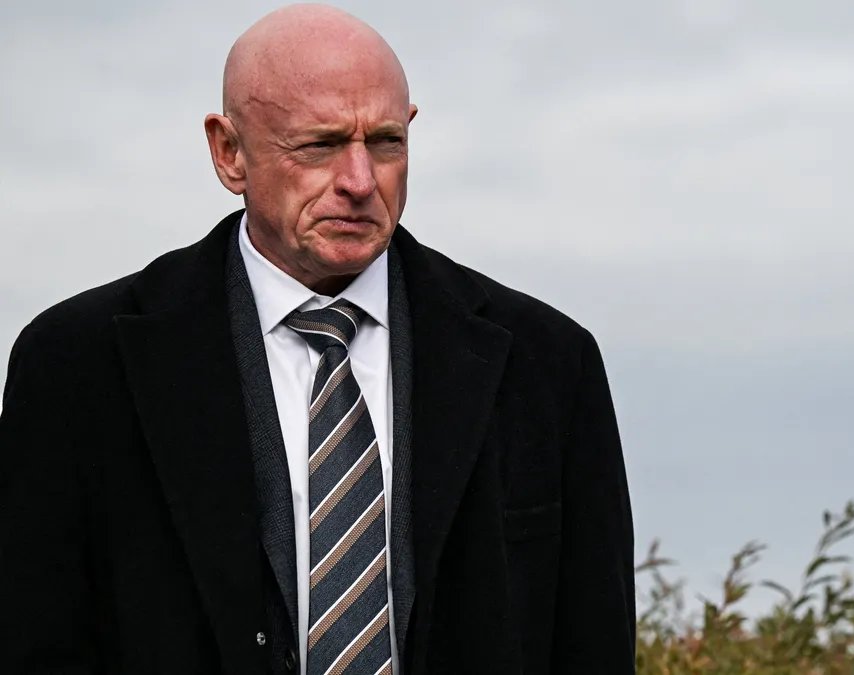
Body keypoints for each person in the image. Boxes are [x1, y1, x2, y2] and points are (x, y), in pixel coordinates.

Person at [0, 5, 635, 674]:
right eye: (321, 145)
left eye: (386, 142)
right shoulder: (77, 365)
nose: (360, 181)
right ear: (229, 152)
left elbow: (591, 642)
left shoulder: (547, 364)